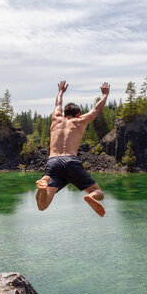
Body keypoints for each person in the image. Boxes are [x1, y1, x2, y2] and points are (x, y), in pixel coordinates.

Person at [35, 80, 110, 217]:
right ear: (78, 114)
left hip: (53, 163)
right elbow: (96, 110)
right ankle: (90, 197)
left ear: (64, 114)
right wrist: (105, 95)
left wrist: (60, 92)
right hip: (70, 161)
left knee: (42, 206)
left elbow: (58, 103)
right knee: (99, 193)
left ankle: (42, 186)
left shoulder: (56, 118)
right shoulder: (79, 121)